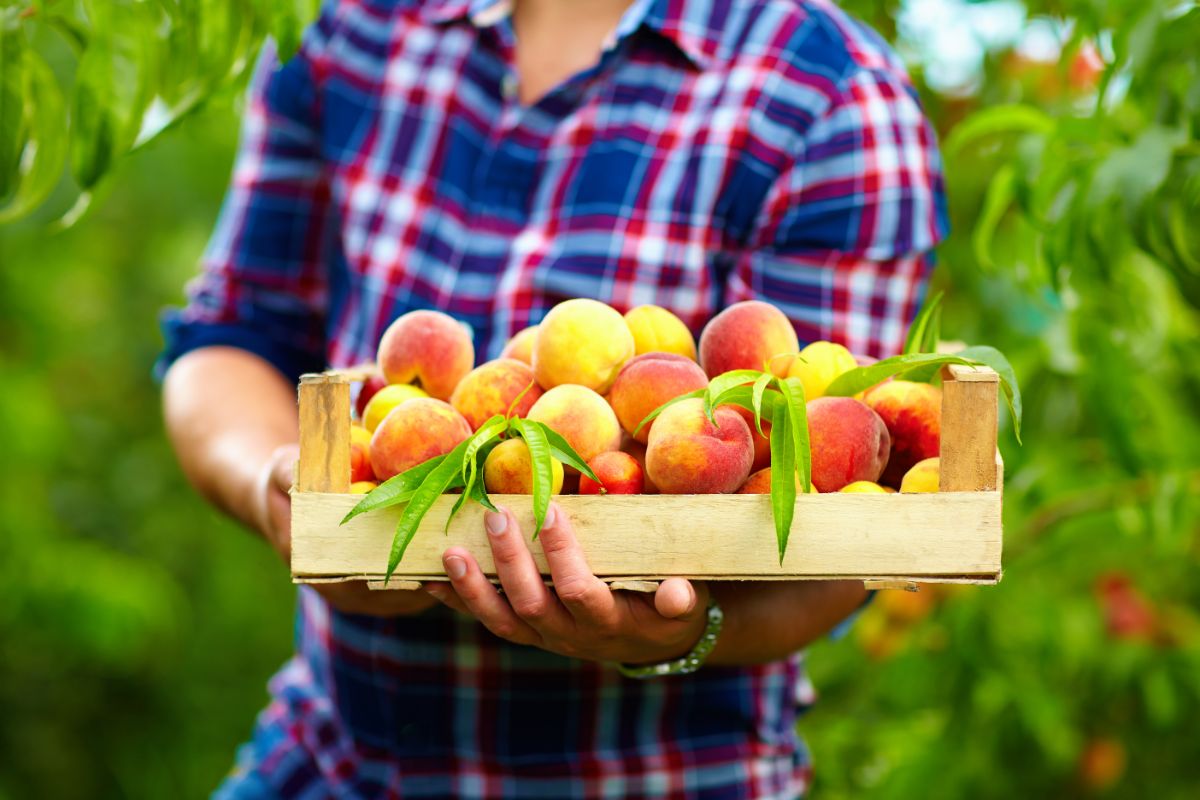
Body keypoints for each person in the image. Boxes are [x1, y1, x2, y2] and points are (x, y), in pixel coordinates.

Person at [160, 0, 947, 796]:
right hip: (334, 761)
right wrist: (272, 483)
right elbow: (231, 335)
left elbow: (838, 529)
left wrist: (683, 629)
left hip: (659, 777)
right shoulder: (349, 22)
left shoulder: (831, 95)